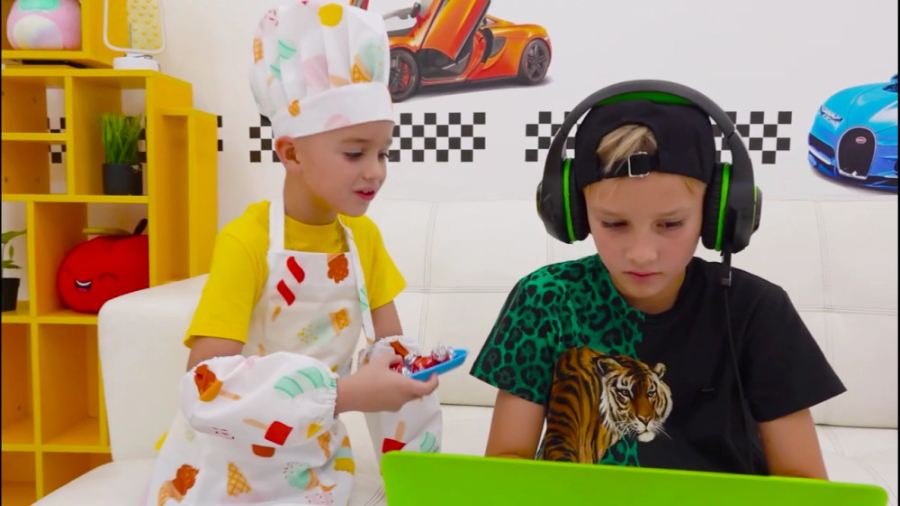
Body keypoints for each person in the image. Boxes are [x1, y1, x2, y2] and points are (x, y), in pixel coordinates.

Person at [145, 3, 442, 505]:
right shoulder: (246, 241)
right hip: (224, 465)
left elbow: (392, 353)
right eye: (355, 152)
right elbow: (205, 385)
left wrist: (410, 379)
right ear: (291, 153)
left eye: (383, 152)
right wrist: (345, 394)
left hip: (314, 464)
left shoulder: (363, 239)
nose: (376, 171)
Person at [469, 89, 846, 479]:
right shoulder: (545, 299)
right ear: (574, 214)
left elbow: (804, 485)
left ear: (717, 213)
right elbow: (506, 465)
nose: (642, 254)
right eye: (614, 224)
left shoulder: (759, 310)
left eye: (670, 224)